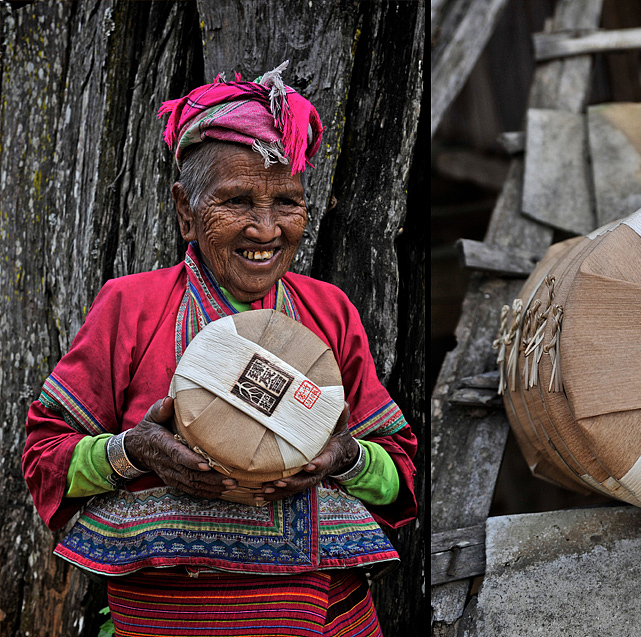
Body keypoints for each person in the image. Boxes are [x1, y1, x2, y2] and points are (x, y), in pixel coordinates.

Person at [21, 62, 416, 637]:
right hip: (165, 619)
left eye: (287, 201)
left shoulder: (327, 311)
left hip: (325, 618)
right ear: (186, 210)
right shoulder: (132, 307)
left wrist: (346, 458)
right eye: (236, 202)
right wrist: (134, 452)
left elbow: (401, 470)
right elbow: (45, 460)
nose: (265, 228)